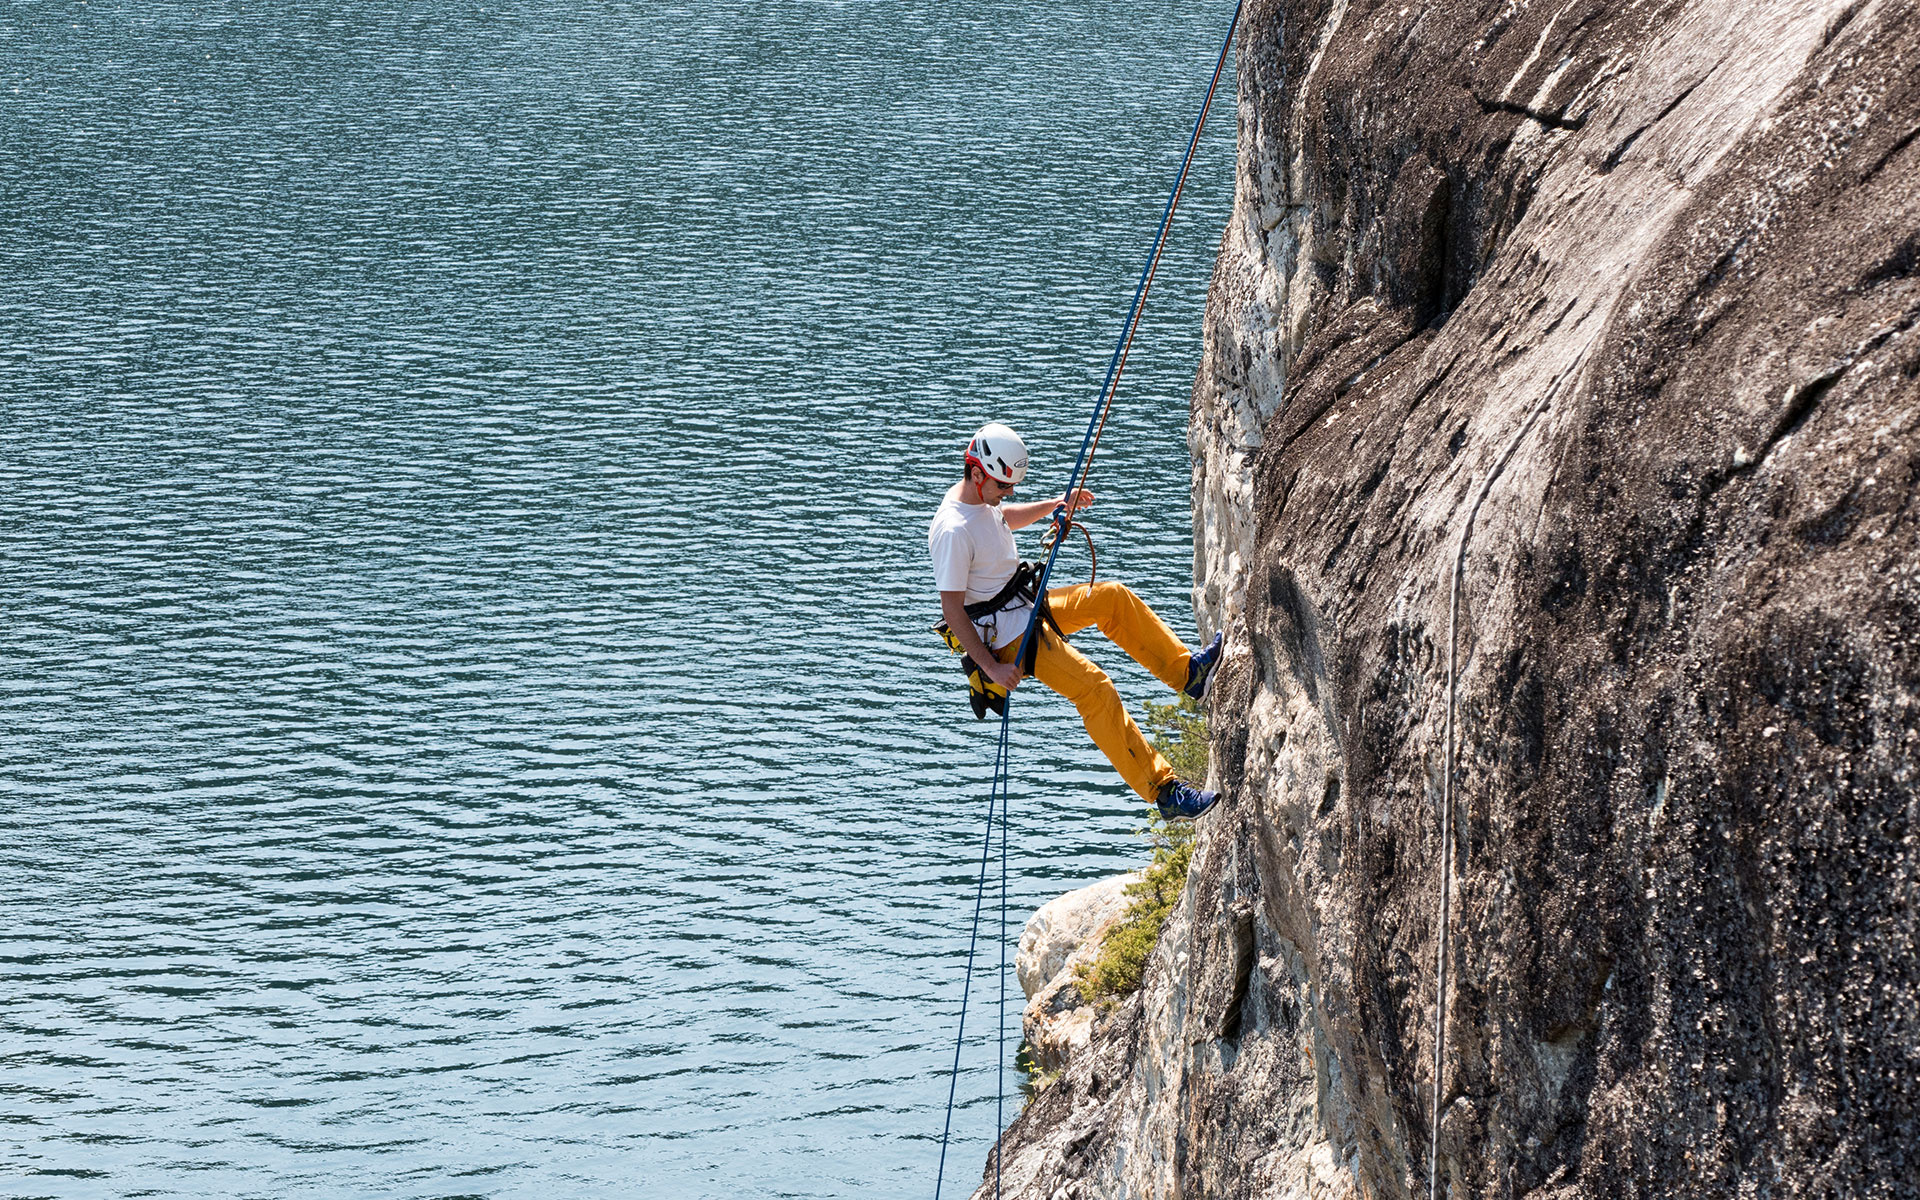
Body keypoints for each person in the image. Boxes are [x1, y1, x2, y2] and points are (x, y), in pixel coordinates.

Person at [928, 422, 1223, 821]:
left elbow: (1002, 519)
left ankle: (1189, 674)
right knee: (1095, 689)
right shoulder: (951, 530)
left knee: (1111, 599)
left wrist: (1054, 505)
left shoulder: (982, 502)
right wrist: (992, 667)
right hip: (1011, 639)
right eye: (1003, 486)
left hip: (1026, 605)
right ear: (977, 474)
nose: (1008, 493)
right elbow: (952, 610)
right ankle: (1164, 792)